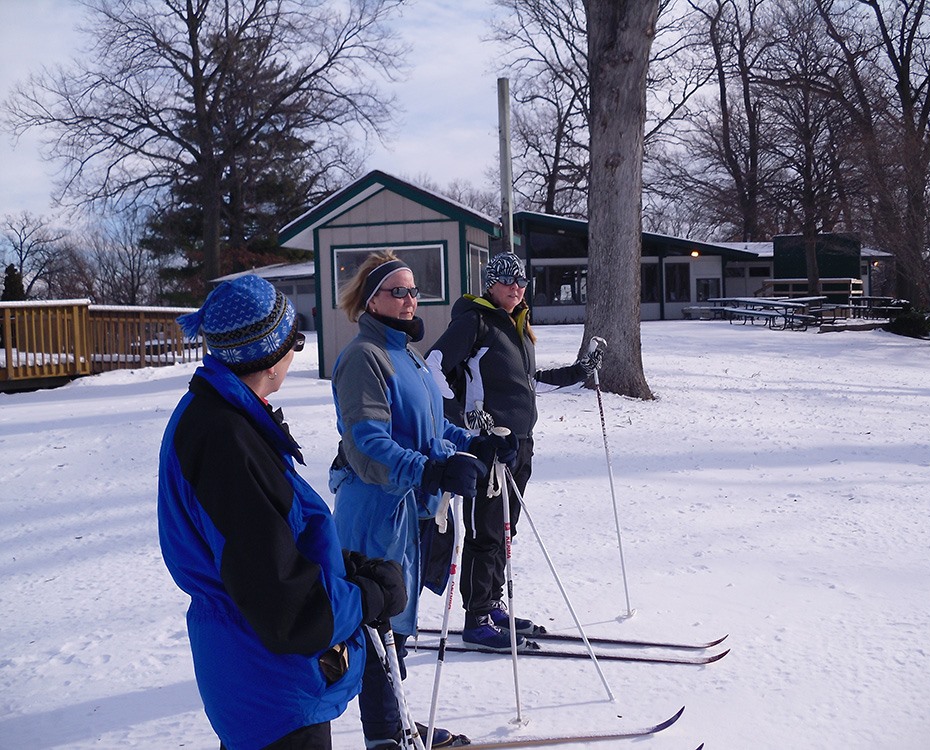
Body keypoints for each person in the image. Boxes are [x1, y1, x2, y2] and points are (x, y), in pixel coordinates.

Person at [158, 274, 407, 750]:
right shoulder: (223, 441)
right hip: (271, 688)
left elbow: (267, 541)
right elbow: (286, 606)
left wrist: (347, 569)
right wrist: (367, 598)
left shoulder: (227, 416)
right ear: (269, 357)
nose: (296, 352)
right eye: (295, 339)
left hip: (263, 676)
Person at [329, 252, 515, 749]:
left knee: (398, 624)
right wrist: (430, 468)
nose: (411, 300)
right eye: (399, 291)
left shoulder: (407, 354)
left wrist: (475, 443)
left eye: (414, 291)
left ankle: (398, 726)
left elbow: (432, 428)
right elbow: (367, 444)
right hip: (374, 511)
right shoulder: (364, 357)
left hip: (408, 511)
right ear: (372, 299)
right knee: (377, 628)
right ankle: (386, 736)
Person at [425, 252, 603, 651]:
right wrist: (469, 420)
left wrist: (580, 371)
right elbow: (432, 367)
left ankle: (492, 603)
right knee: (486, 530)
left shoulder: (517, 326)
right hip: (490, 447)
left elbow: (528, 384)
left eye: (521, 283)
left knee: (505, 530)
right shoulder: (474, 320)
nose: (516, 288)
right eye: (507, 281)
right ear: (490, 283)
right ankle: (478, 618)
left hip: (519, 445)